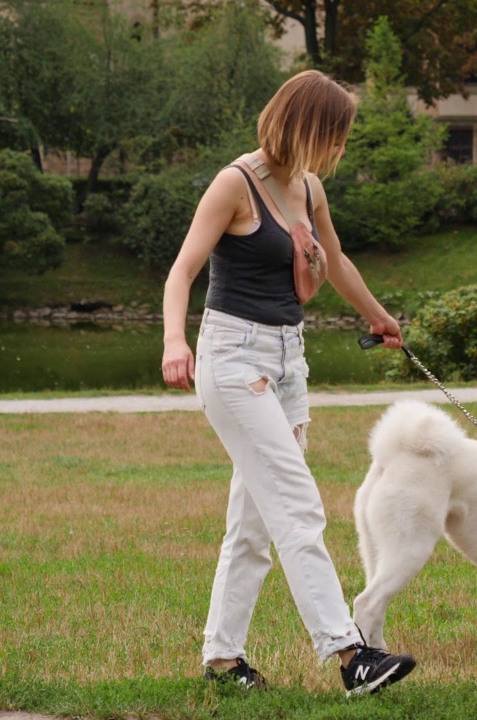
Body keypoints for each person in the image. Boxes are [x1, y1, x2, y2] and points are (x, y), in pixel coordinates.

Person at [160, 69, 415, 696]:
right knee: (298, 506)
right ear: (310, 128)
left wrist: (376, 316)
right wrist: (174, 340)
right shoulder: (235, 184)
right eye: (337, 135)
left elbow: (338, 260)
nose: (341, 149)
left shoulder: (309, 187)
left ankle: (222, 659)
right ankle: (350, 655)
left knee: (253, 522)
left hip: (287, 361)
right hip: (234, 359)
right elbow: (182, 270)